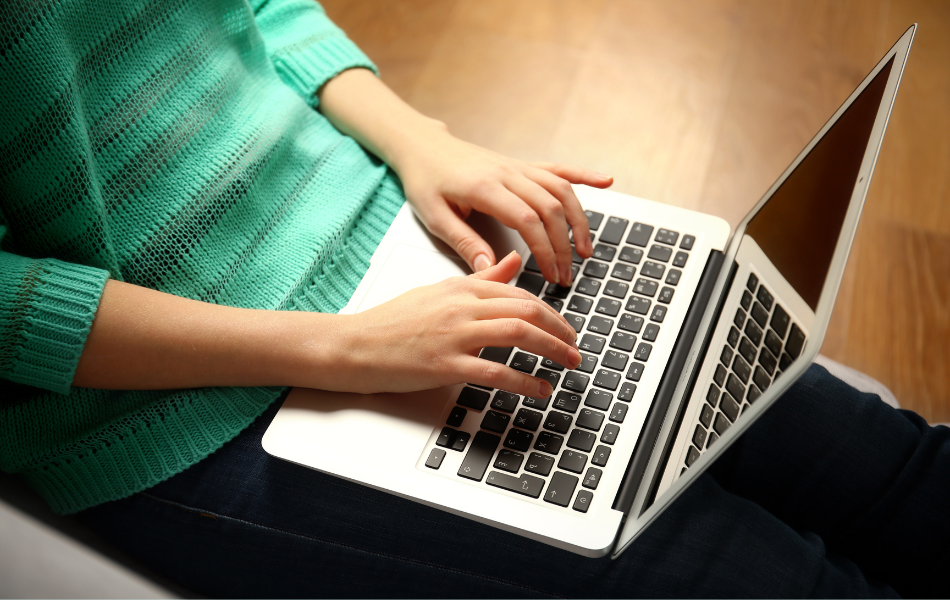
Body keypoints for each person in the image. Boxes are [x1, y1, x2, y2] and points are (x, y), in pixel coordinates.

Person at [0, 1, 947, 597]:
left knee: (874, 455)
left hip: (384, 220)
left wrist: (421, 144)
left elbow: (260, 8)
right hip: (176, 408)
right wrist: (337, 348)